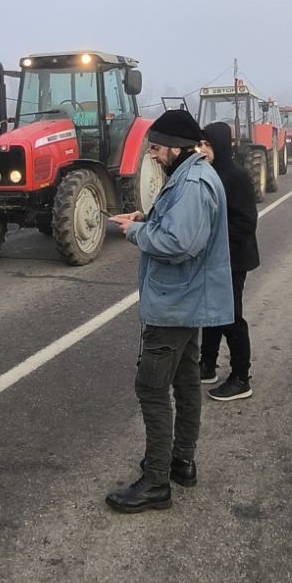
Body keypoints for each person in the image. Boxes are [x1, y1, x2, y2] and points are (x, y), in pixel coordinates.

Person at [104, 108, 232, 512]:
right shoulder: (189, 176)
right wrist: (147, 216)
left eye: (157, 147)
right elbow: (181, 226)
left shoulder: (192, 182)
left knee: (152, 388)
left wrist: (135, 232)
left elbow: (179, 244)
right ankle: (181, 461)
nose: (154, 155)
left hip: (174, 304)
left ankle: (157, 481)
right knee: (185, 380)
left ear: (177, 147)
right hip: (186, 299)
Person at [198, 121, 260, 401]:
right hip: (215, 257)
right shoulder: (210, 172)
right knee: (212, 313)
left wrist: (213, 240)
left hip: (233, 258)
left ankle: (241, 378)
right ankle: (207, 365)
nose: (202, 149)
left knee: (231, 317)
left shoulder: (236, 176)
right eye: (200, 144)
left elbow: (246, 222)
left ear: (220, 145)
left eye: (207, 144)